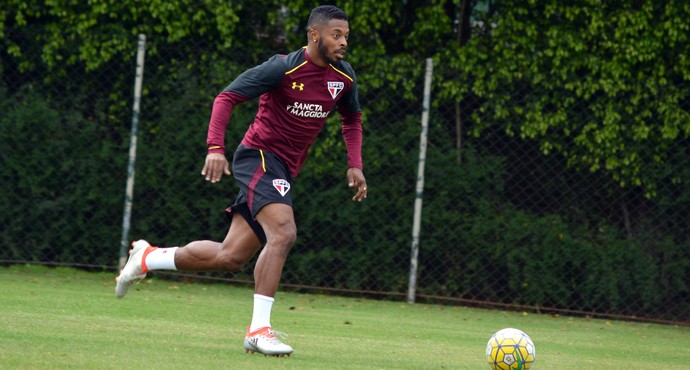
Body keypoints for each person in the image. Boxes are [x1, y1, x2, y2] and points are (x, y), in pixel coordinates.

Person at [115, 5, 367, 357]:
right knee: (283, 232)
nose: (343, 42)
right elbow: (226, 98)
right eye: (336, 35)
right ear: (315, 35)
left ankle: (148, 258)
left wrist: (354, 164)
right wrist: (215, 148)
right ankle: (258, 330)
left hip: (284, 169)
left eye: (346, 36)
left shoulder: (344, 77)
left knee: (230, 256)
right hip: (258, 157)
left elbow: (352, 120)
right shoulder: (282, 67)